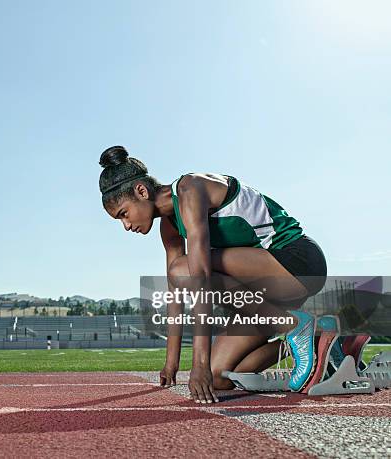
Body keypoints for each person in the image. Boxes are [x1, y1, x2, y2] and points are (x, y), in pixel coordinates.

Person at [98, 146, 327, 403]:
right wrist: (171, 364)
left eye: (124, 214)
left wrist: (199, 365)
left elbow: (200, 279)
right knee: (221, 376)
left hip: (297, 263)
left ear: (141, 191)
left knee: (184, 270)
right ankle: (322, 343)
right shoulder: (169, 226)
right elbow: (177, 294)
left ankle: (295, 325)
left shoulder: (190, 189)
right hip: (264, 296)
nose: (126, 226)